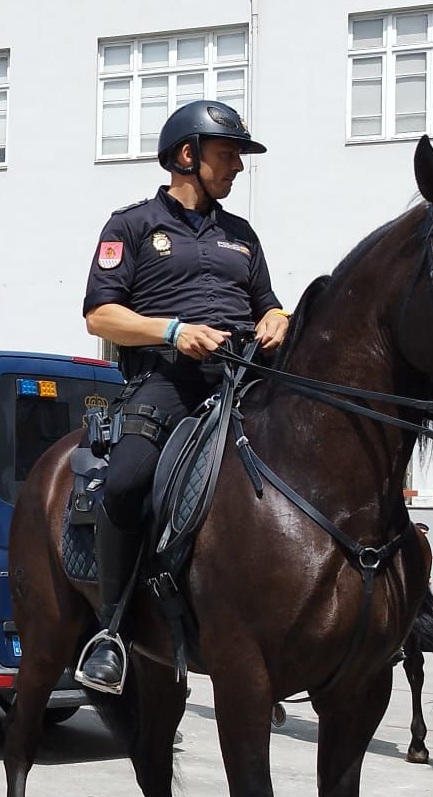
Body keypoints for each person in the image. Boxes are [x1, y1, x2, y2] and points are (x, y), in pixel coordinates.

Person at [74, 99, 283, 691]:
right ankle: (111, 630)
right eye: (228, 154)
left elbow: (267, 300)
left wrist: (278, 318)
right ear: (187, 156)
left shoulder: (242, 236)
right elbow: (99, 316)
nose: (238, 167)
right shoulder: (132, 225)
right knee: (127, 480)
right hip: (167, 382)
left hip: (246, 379)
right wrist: (173, 330)